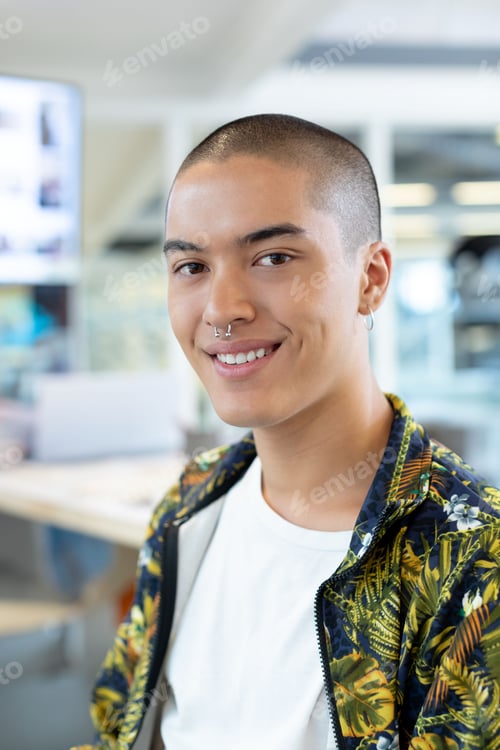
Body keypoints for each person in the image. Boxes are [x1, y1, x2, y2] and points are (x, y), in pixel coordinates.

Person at [72, 114, 500, 750]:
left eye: (274, 258)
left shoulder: (472, 561)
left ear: (371, 278)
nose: (223, 308)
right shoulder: (191, 502)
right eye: (191, 266)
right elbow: (118, 727)